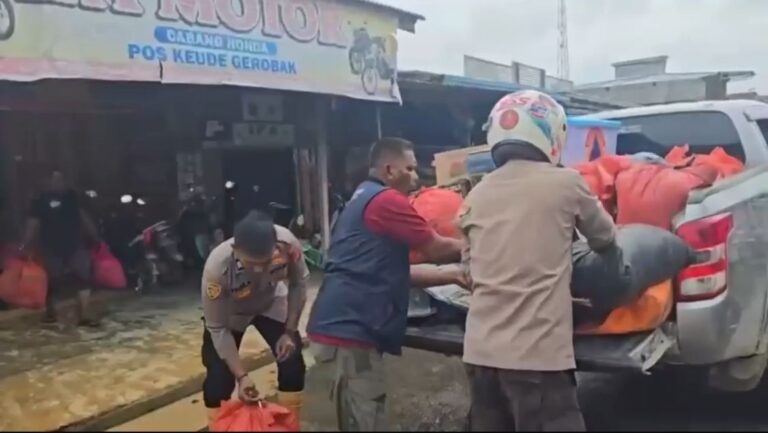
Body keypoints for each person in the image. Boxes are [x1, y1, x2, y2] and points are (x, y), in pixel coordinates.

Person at [459, 90, 617, 432]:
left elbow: (470, 268)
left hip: (479, 354)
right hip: (535, 357)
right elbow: (605, 237)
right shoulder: (566, 183)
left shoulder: (477, 192)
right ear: (551, 134)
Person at [306, 137, 466, 431]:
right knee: (367, 416)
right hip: (353, 326)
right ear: (390, 170)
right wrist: (479, 244)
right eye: (411, 168)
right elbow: (435, 247)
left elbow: (396, 271)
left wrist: (454, 275)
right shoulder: (387, 200)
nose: (417, 177)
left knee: (355, 417)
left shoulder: (362, 196)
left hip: (338, 321)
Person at [201, 210, 308, 430]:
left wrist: (289, 331)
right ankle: (218, 426)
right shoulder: (217, 268)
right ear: (236, 250)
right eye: (251, 263)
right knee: (219, 378)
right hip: (232, 314)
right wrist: (242, 377)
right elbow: (217, 327)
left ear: (275, 247)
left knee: (292, 361)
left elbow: (298, 284)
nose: (259, 269)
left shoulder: (288, 244)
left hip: (271, 304)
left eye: (266, 262)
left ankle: (290, 425)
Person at [20, 170, 100, 326]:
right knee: (53, 281)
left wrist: (94, 236)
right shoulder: (40, 200)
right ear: (47, 181)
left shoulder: (73, 197)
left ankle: (83, 315)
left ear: (65, 181)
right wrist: (25, 243)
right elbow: (33, 224)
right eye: (54, 179)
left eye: (60, 179)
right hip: (51, 247)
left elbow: (84, 217)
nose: (57, 182)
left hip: (75, 244)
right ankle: (51, 312)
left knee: (83, 280)